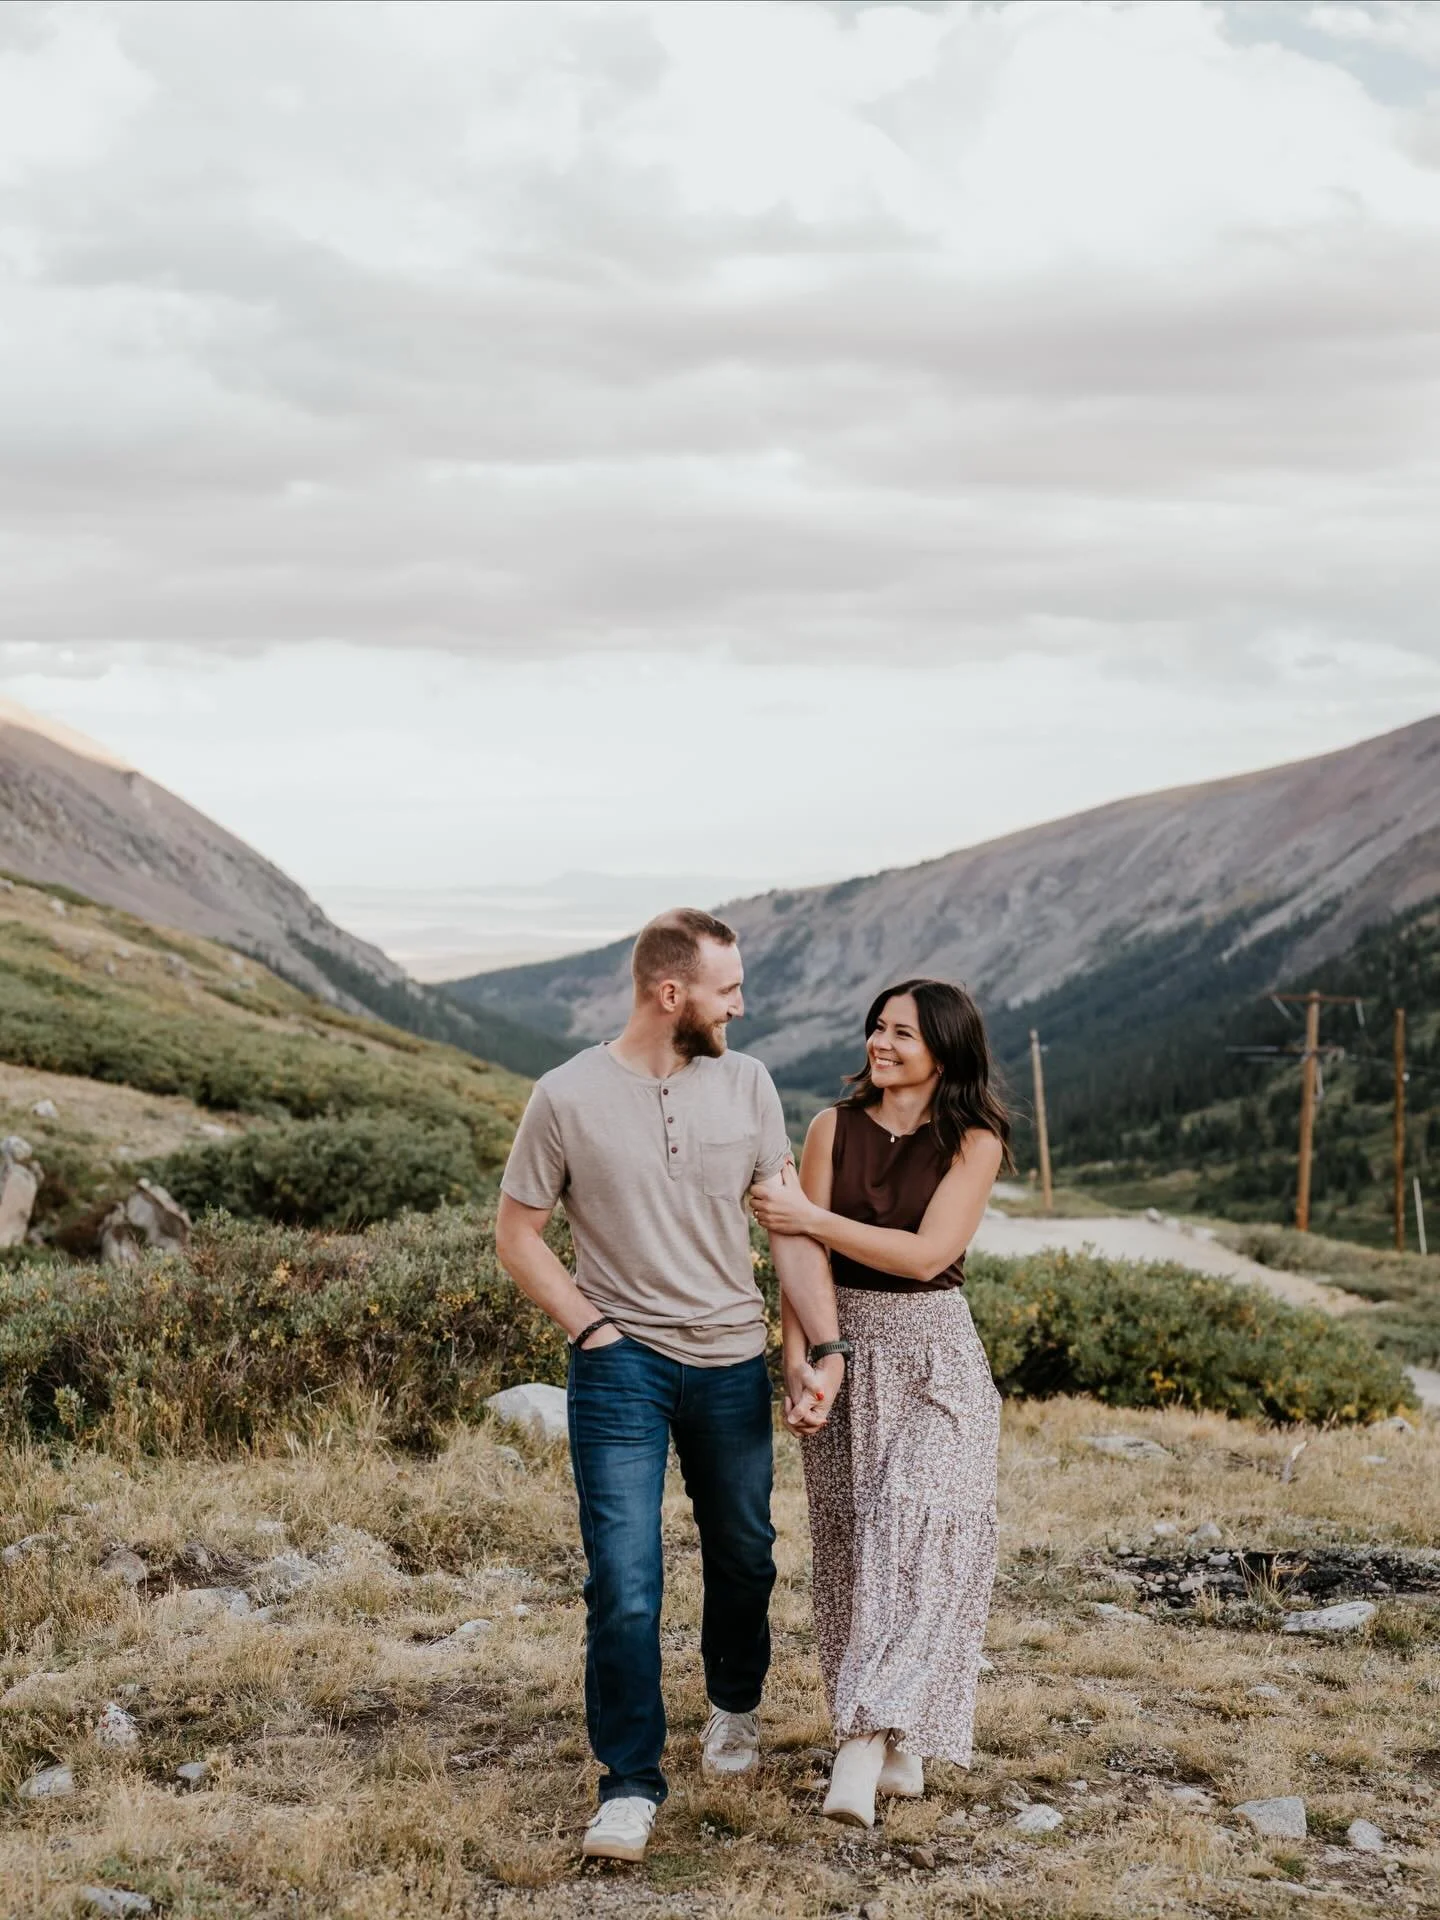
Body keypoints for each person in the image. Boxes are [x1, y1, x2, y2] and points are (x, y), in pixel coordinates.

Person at [495, 908, 844, 1865]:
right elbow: (517, 1233)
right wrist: (593, 1330)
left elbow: (786, 1226)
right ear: (671, 994)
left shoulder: (751, 1084)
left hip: (731, 1360)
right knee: (625, 1580)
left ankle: (733, 1708)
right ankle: (629, 1784)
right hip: (622, 1371)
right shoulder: (564, 1096)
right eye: (728, 991)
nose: (742, 1006)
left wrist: (821, 1345)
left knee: (745, 1554)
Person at [750, 977, 1010, 1829]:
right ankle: (901, 1742)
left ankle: (860, 1745)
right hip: (844, 1348)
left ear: (945, 1049)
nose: (881, 1043)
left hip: (937, 1354)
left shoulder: (975, 1140)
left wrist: (808, 1218)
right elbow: (800, 1262)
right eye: (876, 1027)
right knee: (859, 1552)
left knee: (922, 1530)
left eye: (902, 1032)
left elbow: (927, 1253)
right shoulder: (833, 1127)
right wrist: (800, 1366)